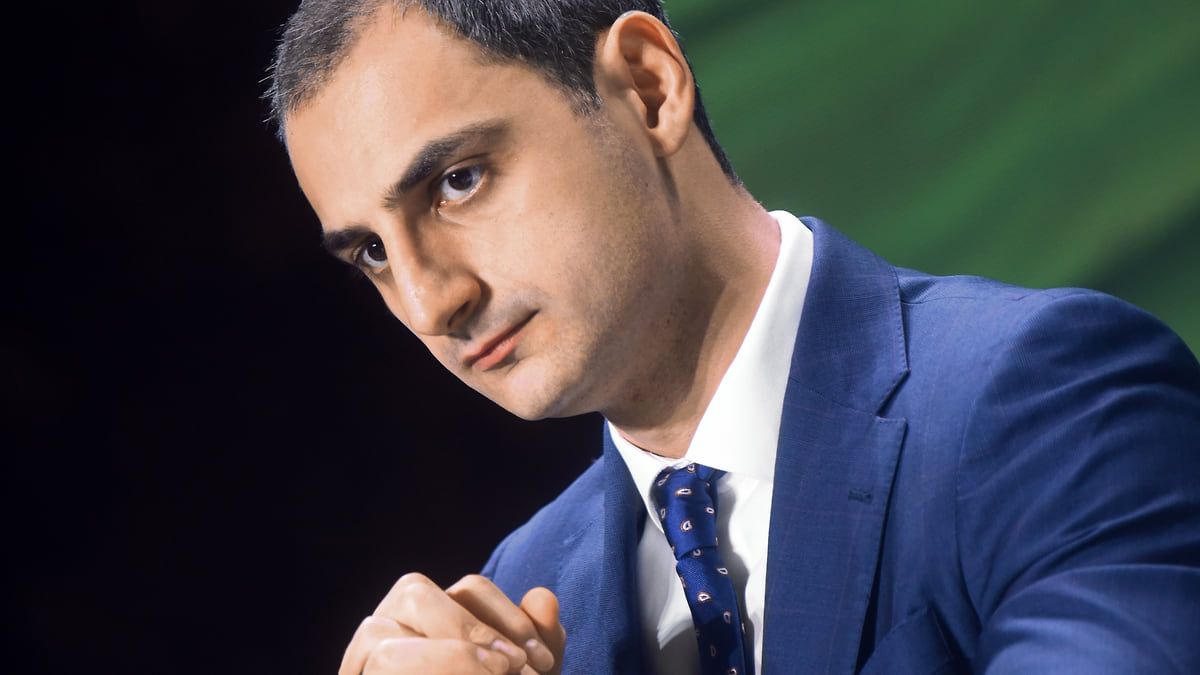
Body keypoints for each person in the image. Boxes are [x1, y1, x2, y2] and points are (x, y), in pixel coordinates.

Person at [267, 1, 1200, 673]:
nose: (428, 301)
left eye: (458, 181)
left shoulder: (1049, 398)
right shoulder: (520, 588)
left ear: (648, 86)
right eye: (372, 253)